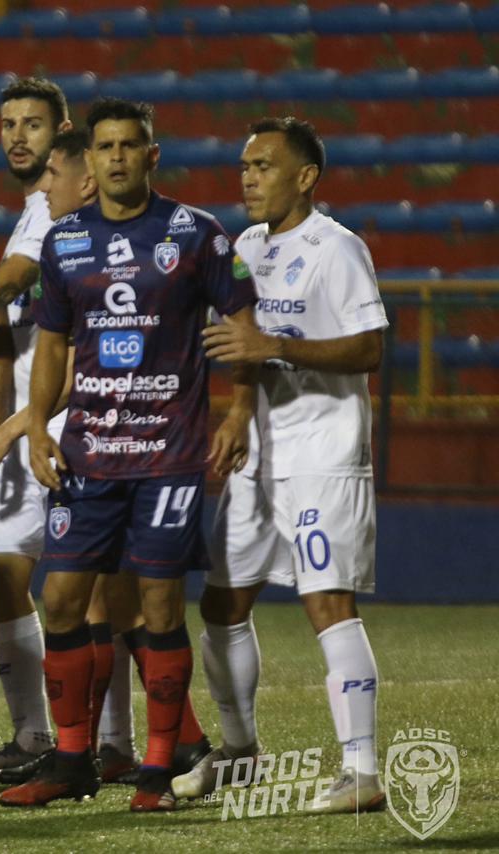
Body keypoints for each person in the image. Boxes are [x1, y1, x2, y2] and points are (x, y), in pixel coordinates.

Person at [0, 97, 259, 812]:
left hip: (168, 456)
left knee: (157, 602)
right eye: (104, 145)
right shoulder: (63, 239)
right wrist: (40, 427)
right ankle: (72, 760)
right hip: (89, 452)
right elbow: (53, 343)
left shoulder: (194, 235)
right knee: (59, 597)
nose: (114, 156)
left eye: (128, 145)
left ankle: (157, 769)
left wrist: (237, 411)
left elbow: (244, 324)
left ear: (151, 155)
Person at [174, 117, 387, 814]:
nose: (248, 177)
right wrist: (236, 414)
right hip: (259, 457)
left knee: (326, 603)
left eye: (264, 165)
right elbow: (241, 349)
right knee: (221, 601)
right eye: (244, 165)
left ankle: (361, 771)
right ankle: (241, 751)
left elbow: (367, 350)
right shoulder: (243, 249)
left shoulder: (338, 249)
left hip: (324, 452)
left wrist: (277, 347)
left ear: (304, 177)